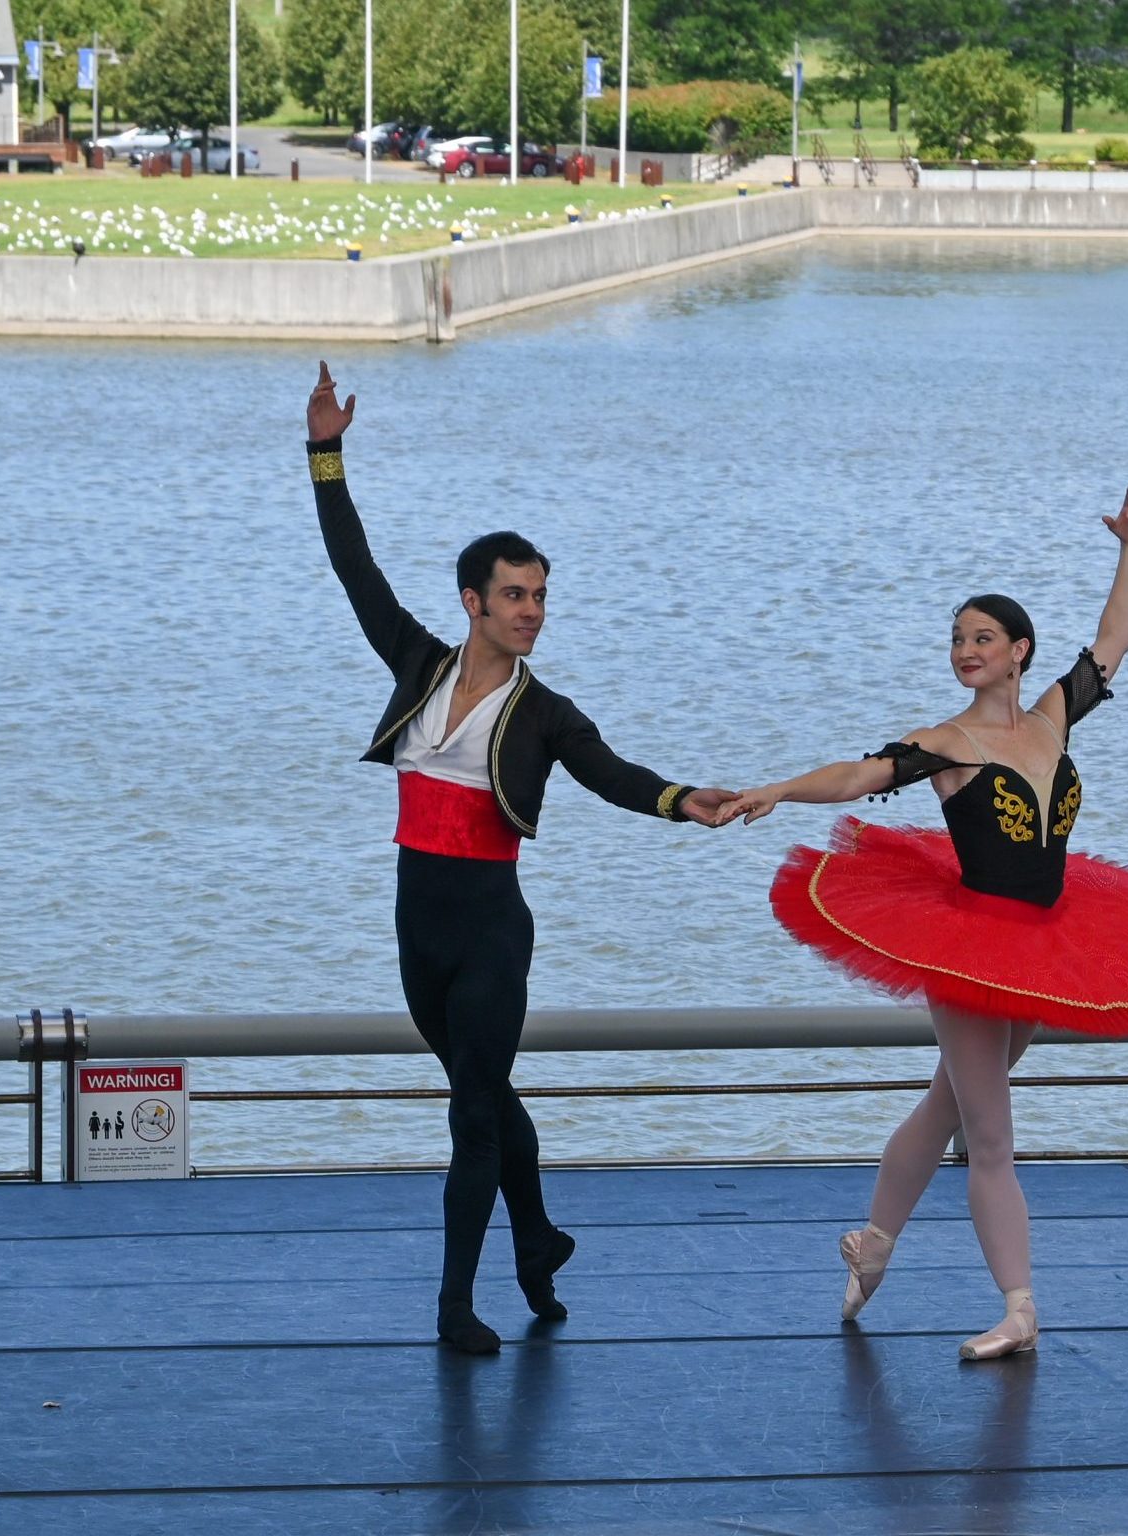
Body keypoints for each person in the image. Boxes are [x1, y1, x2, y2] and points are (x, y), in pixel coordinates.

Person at [719, 489, 1128, 1360]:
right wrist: (774, 788)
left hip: (1044, 942)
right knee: (989, 1133)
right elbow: (857, 776)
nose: (965, 651)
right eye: (957, 639)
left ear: (1018, 653)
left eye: (981, 639)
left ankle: (874, 1244)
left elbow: (1113, 643)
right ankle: (1021, 1308)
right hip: (968, 948)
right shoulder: (948, 741)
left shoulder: (1052, 718)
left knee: (951, 1100)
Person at [302, 362, 736, 1355]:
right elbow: (353, 568)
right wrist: (324, 454)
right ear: (472, 601)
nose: (531, 610)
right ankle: (538, 1235)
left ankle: (456, 1304)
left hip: (492, 931)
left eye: (540, 596)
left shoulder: (544, 714)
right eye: (513, 595)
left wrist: (681, 801)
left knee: (470, 1117)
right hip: (418, 930)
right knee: (486, 1093)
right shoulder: (418, 664)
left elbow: (611, 772)